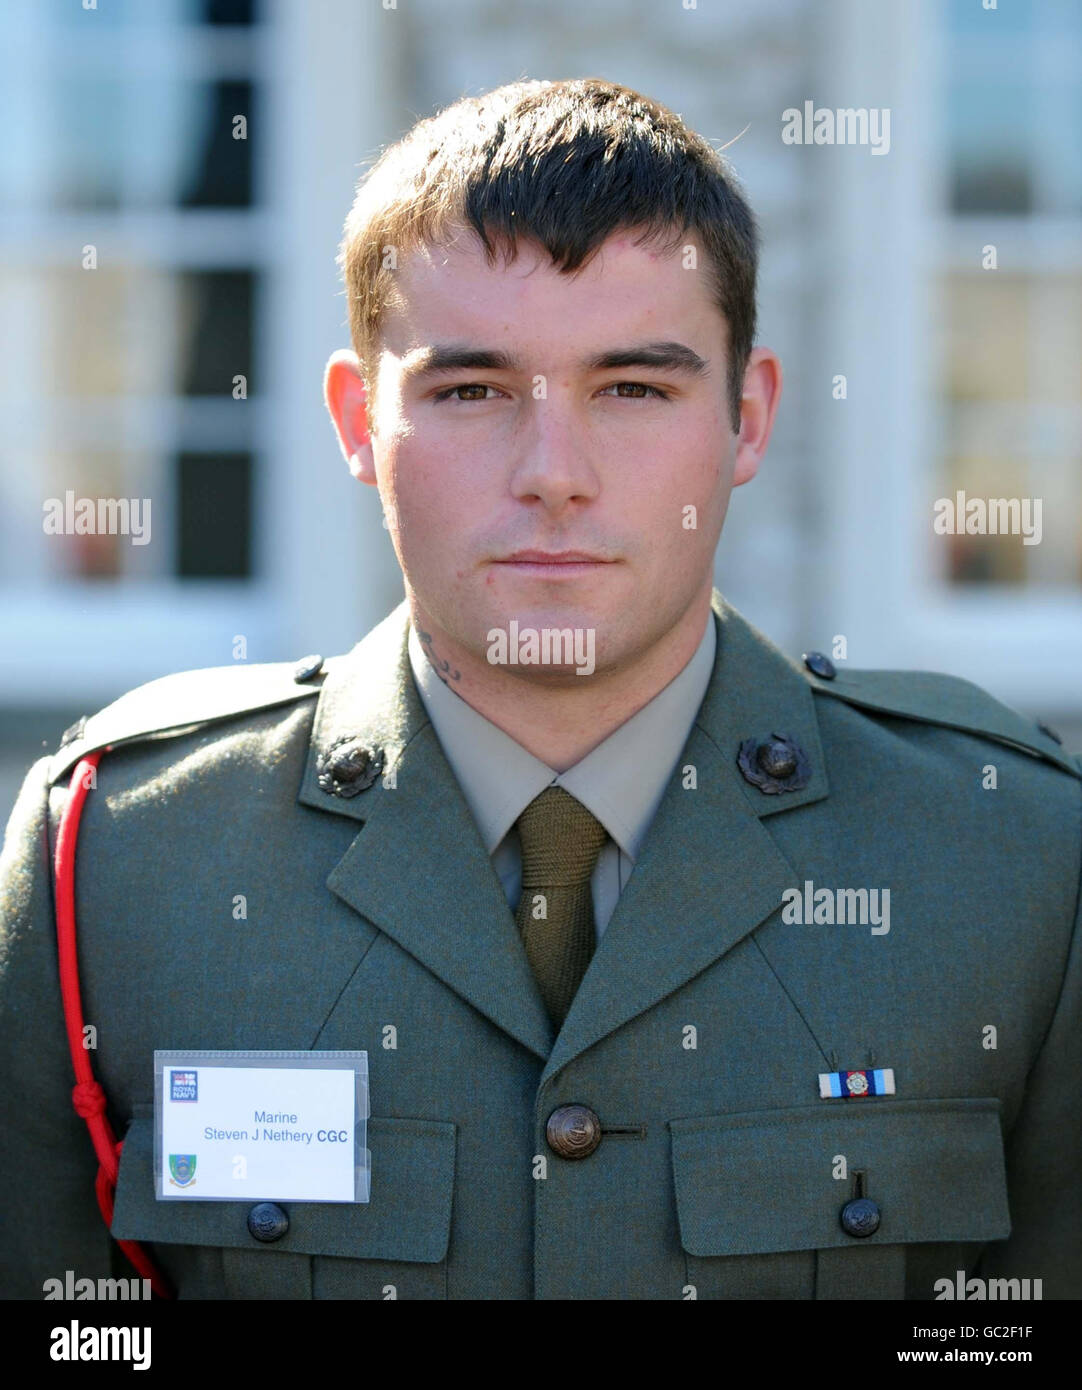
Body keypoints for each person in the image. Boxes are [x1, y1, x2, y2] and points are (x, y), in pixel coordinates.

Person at [1, 77, 1079, 1302]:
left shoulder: (1013, 860)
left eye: (632, 387)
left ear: (745, 417)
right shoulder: (119, 862)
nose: (553, 473)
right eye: (469, 390)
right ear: (359, 422)